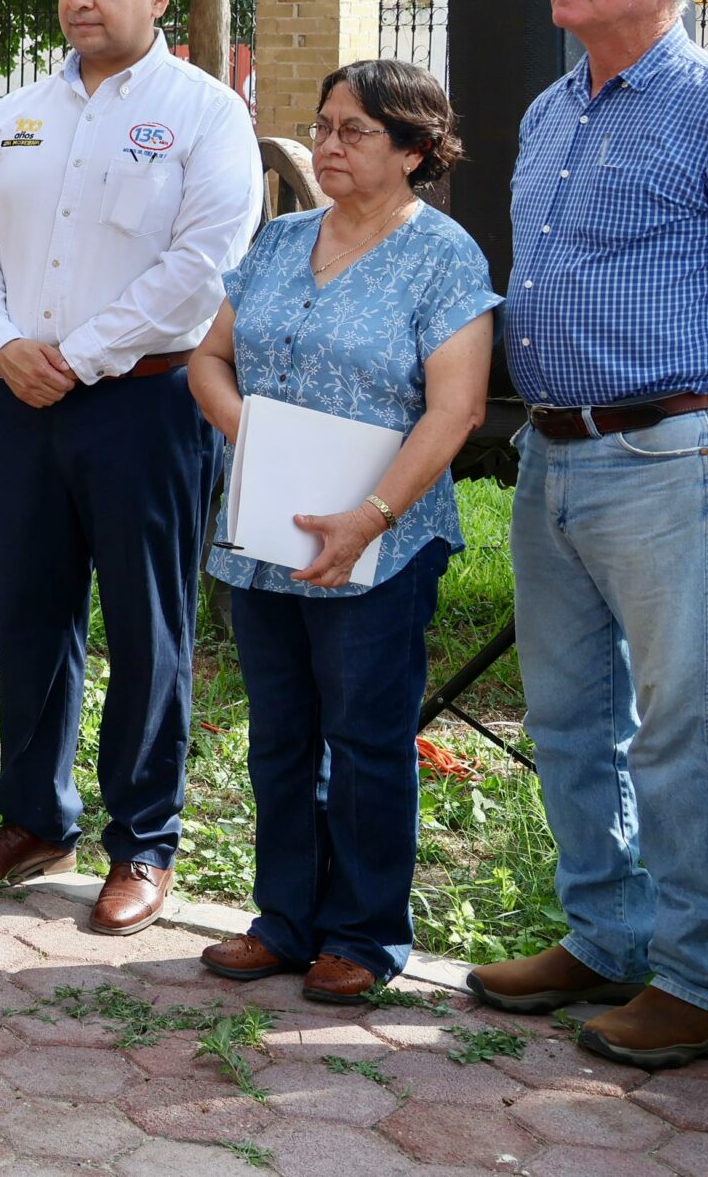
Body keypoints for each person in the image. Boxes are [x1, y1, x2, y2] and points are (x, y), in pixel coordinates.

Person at [466, 0, 708, 1069]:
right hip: (551, 452)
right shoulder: (554, 111)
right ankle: (604, 938)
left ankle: (706, 980)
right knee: (569, 719)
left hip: (669, 449)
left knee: (681, 727)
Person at [0, 0, 260, 934]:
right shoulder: (19, 114)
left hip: (143, 403)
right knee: (31, 615)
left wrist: (72, 357)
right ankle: (31, 820)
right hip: (22, 399)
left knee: (145, 625)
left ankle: (143, 842)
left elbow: (201, 268)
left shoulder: (205, 115)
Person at [188, 61, 495, 1001]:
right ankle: (283, 919)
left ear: (414, 149)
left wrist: (368, 516)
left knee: (365, 738)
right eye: (323, 124)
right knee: (279, 730)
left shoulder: (444, 255)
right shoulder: (280, 241)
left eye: (355, 130)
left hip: (381, 540)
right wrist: (260, 438)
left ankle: (362, 934)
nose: (327, 144)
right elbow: (209, 359)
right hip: (268, 529)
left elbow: (458, 410)